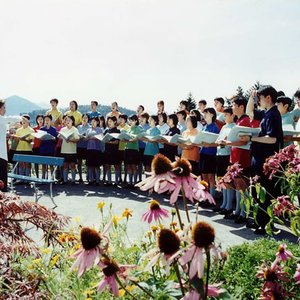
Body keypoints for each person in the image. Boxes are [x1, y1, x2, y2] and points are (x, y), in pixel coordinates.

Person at [241, 85, 283, 234]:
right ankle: (260, 221)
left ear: (268, 98)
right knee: (258, 192)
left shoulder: (273, 115)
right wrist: (252, 98)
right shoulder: (266, 113)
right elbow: (249, 112)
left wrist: (252, 138)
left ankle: (267, 224)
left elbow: (272, 139)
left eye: (260, 98)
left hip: (267, 161)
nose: (258, 101)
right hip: (259, 159)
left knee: (267, 192)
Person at [222, 98, 252, 223]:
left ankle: (244, 212)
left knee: (242, 187)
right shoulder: (239, 120)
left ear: (241, 107)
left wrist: (228, 142)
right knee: (237, 186)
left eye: (234, 105)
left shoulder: (245, 120)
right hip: (235, 158)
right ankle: (238, 211)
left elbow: (244, 140)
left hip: (242, 158)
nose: (232, 107)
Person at [0, 99, 22, 192]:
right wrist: (22, 118)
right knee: (2, 174)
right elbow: (11, 119)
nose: (5, 110)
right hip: (1, 153)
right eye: (4, 108)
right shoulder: (1, 118)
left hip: (2, 151)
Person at [199, 108, 219, 198]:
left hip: (211, 155)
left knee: (211, 177)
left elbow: (218, 143)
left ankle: (212, 197)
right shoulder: (204, 127)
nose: (204, 116)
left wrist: (209, 145)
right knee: (204, 177)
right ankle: (205, 197)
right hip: (203, 154)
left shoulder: (215, 127)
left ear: (211, 114)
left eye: (206, 113)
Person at [58, 115, 80, 184]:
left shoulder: (75, 129)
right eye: (66, 120)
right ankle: (65, 180)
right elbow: (59, 137)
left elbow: (77, 139)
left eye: (69, 120)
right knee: (65, 166)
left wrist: (70, 140)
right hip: (64, 150)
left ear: (72, 121)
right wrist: (61, 136)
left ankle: (73, 180)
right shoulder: (63, 129)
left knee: (73, 165)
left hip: (72, 151)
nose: (67, 121)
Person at [124, 115, 143, 187]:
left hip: (134, 149)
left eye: (132, 120)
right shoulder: (128, 129)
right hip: (127, 148)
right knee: (128, 166)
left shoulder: (138, 129)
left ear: (135, 121)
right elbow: (127, 139)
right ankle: (130, 182)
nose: (130, 122)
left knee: (134, 166)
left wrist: (129, 139)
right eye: (130, 120)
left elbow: (136, 139)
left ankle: (135, 183)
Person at [103, 116, 121, 186]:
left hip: (115, 151)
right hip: (107, 150)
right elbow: (103, 139)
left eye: (110, 121)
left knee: (116, 166)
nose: (109, 123)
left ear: (115, 122)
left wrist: (108, 142)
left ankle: (116, 181)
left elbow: (117, 142)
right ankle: (109, 181)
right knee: (107, 165)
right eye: (108, 121)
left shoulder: (118, 131)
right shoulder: (106, 131)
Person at [86, 117, 104, 185]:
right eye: (92, 121)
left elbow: (101, 138)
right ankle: (90, 180)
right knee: (90, 165)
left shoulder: (100, 129)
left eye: (94, 121)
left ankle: (97, 180)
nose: (92, 123)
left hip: (97, 149)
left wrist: (93, 137)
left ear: (97, 123)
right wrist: (86, 138)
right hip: (89, 149)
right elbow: (86, 139)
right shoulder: (88, 130)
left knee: (97, 166)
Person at [39, 115, 58, 179]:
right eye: (45, 120)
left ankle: (52, 178)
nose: (46, 121)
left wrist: (53, 138)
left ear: (51, 121)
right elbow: (40, 138)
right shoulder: (42, 129)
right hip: (43, 148)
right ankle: (43, 177)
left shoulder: (53, 129)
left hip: (50, 148)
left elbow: (56, 139)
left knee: (51, 165)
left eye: (48, 120)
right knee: (43, 165)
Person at [77, 114, 91, 182]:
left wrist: (86, 137)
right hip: (79, 146)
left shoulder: (90, 127)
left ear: (88, 119)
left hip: (87, 147)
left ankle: (88, 176)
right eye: (83, 117)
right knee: (79, 162)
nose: (85, 119)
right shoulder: (78, 127)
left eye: (86, 118)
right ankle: (80, 177)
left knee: (87, 163)